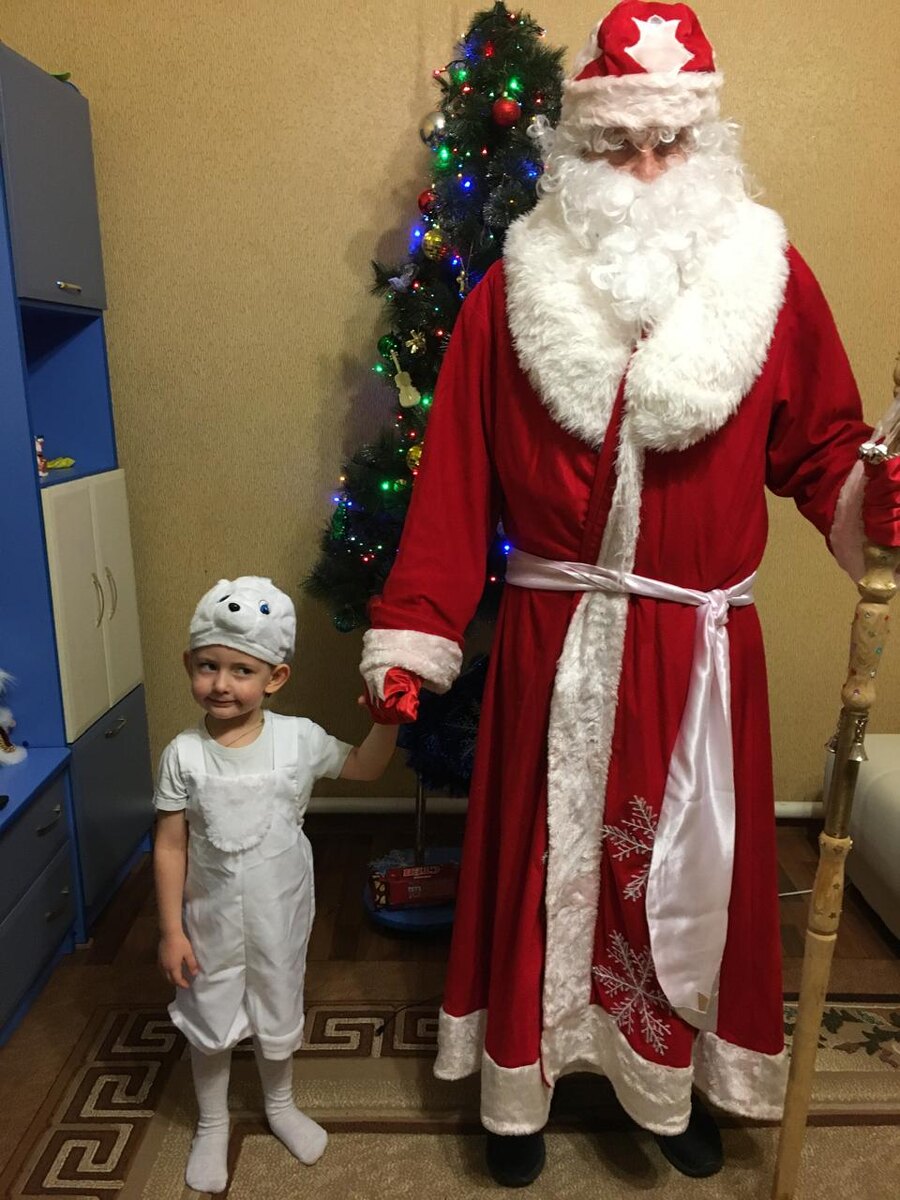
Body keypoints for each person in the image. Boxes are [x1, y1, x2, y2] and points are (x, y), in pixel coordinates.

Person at [359, 1, 900, 1187]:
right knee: (542, 858)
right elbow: (455, 477)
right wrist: (419, 628)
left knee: (678, 867)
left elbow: (823, 449)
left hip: (697, 647)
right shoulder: (513, 292)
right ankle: (520, 1091)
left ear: (705, 145)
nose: (646, 166)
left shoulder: (771, 280)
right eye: (618, 143)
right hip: (554, 635)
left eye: (669, 141)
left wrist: (874, 501)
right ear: (581, 148)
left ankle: (666, 1084)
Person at [154, 575, 397, 1193]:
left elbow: (364, 767)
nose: (222, 684)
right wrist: (170, 931)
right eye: (208, 666)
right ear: (189, 665)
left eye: (242, 670)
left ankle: (280, 1103)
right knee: (209, 1014)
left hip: (279, 914)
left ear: (274, 677)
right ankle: (212, 1121)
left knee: (278, 999)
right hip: (208, 920)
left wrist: (387, 723)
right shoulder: (183, 754)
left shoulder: (298, 740)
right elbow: (170, 844)